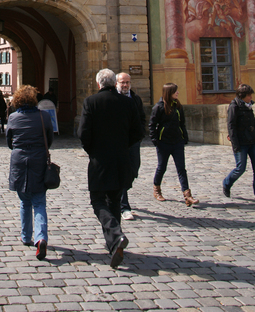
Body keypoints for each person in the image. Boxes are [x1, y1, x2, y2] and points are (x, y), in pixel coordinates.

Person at [78, 68, 144, 268]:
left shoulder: (91, 102)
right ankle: (116, 245)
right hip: (122, 160)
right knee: (115, 201)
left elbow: (83, 133)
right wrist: (124, 146)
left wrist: (93, 150)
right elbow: (139, 132)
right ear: (114, 83)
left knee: (98, 201)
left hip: (100, 161)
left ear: (99, 84)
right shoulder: (128, 102)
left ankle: (116, 235)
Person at [6, 84, 53, 260]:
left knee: (24, 200)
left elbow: (9, 141)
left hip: (19, 162)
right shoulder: (44, 117)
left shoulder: (13, 118)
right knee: (39, 202)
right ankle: (41, 238)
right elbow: (50, 139)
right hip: (39, 160)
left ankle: (26, 236)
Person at [149, 82, 199, 207]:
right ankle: (157, 189)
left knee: (181, 168)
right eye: (175, 91)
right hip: (163, 143)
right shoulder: (159, 107)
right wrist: (155, 140)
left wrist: (184, 138)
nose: (177, 93)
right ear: (169, 93)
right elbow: (152, 125)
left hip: (177, 142)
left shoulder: (178, 106)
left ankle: (187, 195)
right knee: (162, 167)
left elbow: (182, 123)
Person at [116, 72, 145, 220]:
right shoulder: (113, 99)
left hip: (133, 141)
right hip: (119, 142)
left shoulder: (135, 99)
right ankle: (124, 206)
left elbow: (142, 118)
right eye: (122, 82)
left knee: (134, 169)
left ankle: (120, 190)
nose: (125, 85)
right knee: (123, 172)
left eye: (127, 82)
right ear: (117, 84)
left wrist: (140, 135)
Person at [222, 83, 255, 198]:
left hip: (252, 141)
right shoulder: (234, 106)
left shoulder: (250, 106)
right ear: (242, 95)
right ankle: (227, 183)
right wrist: (235, 145)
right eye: (249, 95)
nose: (251, 97)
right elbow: (231, 126)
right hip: (241, 143)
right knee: (240, 168)